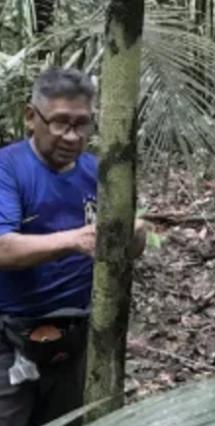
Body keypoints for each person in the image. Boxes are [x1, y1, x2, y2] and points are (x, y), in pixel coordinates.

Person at [0, 67, 147, 426]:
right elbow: (3, 249)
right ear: (31, 117)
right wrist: (76, 240)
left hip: (77, 334)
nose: (72, 136)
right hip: (10, 334)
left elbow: (127, 247)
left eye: (82, 125)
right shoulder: (9, 167)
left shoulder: (99, 171)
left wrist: (136, 233)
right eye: (60, 123)